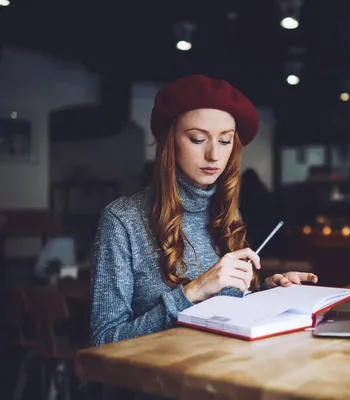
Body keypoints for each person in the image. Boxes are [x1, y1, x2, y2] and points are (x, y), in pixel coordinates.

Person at [90, 74, 318, 348]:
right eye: (198, 139)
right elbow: (104, 341)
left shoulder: (227, 214)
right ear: (169, 141)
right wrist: (193, 291)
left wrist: (268, 294)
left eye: (225, 141)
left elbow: (225, 317)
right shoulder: (122, 221)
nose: (214, 155)